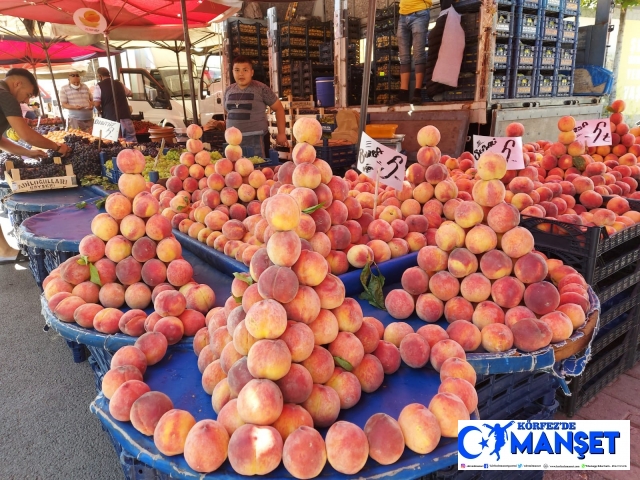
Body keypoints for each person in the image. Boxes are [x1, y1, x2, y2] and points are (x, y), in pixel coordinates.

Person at [0, 68, 70, 262]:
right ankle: (3, 251)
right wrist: (57, 146)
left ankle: (3, 250)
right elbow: (26, 134)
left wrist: (28, 152)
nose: (26, 101)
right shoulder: (6, 97)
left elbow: (1, 141)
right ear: (17, 84)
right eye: (28, 94)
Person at [224, 56, 288, 156]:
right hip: (233, 142)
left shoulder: (261, 88)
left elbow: (279, 109)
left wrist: (281, 133)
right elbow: (228, 112)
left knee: (258, 169)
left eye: (245, 70)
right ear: (232, 72)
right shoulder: (228, 90)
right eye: (237, 70)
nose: (241, 73)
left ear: (251, 72)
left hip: (257, 140)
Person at [395, 0, 432, 104]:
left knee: (418, 53)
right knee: (403, 56)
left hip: (420, 12)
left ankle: (417, 92)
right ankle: (403, 92)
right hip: (402, 14)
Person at [93, 67, 136, 143]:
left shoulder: (99, 86)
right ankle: (134, 154)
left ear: (99, 76)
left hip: (111, 118)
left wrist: (100, 111)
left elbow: (96, 103)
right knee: (131, 139)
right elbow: (130, 94)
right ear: (109, 74)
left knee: (115, 142)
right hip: (125, 116)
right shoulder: (119, 84)